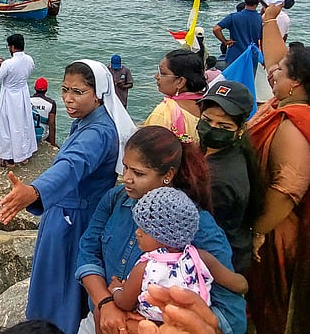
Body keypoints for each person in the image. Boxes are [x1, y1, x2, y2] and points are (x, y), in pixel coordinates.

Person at [0, 60, 135, 334]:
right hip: (68, 214)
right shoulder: (90, 121)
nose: (68, 99)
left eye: (78, 92)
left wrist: (35, 191)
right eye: (65, 90)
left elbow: (72, 164)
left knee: (59, 289)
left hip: (74, 223)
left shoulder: (97, 132)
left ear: (98, 94)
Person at [76, 126, 247, 334]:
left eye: (138, 173)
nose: (127, 178)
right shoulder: (116, 199)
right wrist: (105, 303)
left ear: (168, 175)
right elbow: (88, 251)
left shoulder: (196, 224)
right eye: (125, 167)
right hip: (103, 319)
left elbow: (230, 312)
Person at [245, 3, 310, 333]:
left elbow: (288, 189)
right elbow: (273, 59)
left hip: (278, 229)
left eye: (281, 71)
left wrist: (257, 231)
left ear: (296, 82)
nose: (271, 71)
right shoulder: (283, 101)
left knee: (273, 300)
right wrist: (269, 20)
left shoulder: (294, 124)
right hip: (269, 222)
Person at [108, 187, 248, 324]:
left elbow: (125, 303)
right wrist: (242, 283)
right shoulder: (199, 257)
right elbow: (239, 285)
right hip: (194, 324)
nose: (137, 233)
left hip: (153, 325)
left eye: (145, 230)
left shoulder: (145, 268)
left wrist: (116, 288)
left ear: (165, 237)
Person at [196, 80, 261, 274]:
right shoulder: (218, 153)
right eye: (207, 121)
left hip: (218, 266)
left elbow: (202, 232)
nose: (213, 128)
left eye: (223, 126)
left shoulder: (220, 179)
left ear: (241, 129)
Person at [0, 34, 38, 167]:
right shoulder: (29, 59)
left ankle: (10, 158)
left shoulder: (7, 63)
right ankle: (24, 154)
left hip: (10, 97)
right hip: (23, 93)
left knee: (8, 127)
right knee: (24, 124)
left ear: (12, 47)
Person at [144, 49, 207, 140]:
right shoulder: (208, 107)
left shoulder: (163, 113)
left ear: (180, 81)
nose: (156, 76)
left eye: (163, 73)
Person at [213, 0, 261, 66]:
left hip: (234, 56)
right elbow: (262, 40)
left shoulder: (234, 17)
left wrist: (225, 41)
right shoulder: (260, 19)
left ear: (245, 1)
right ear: (258, 3)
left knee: (231, 77)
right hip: (251, 57)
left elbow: (216, 29)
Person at [30, 77, 58, 148]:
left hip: (29, 136)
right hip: (43, 136)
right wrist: (53, 144)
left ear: (35, 88)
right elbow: (52, 124)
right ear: (46, 89)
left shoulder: (27, 101)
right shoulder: (51, 103)